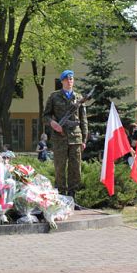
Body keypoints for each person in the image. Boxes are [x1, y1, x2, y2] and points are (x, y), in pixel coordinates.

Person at [43, 69, 88, 199]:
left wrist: (84, 139)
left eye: (71, 79)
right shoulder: (54, 96)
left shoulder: (79, 98)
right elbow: (45, 116)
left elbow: (83, 120)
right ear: (62, 81)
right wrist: (53, 124)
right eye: (67, 79)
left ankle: (73, 198)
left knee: (75, 169)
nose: (70, 81)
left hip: (76, 138)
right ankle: (61, 197)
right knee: (60, 169)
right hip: (59, 138)